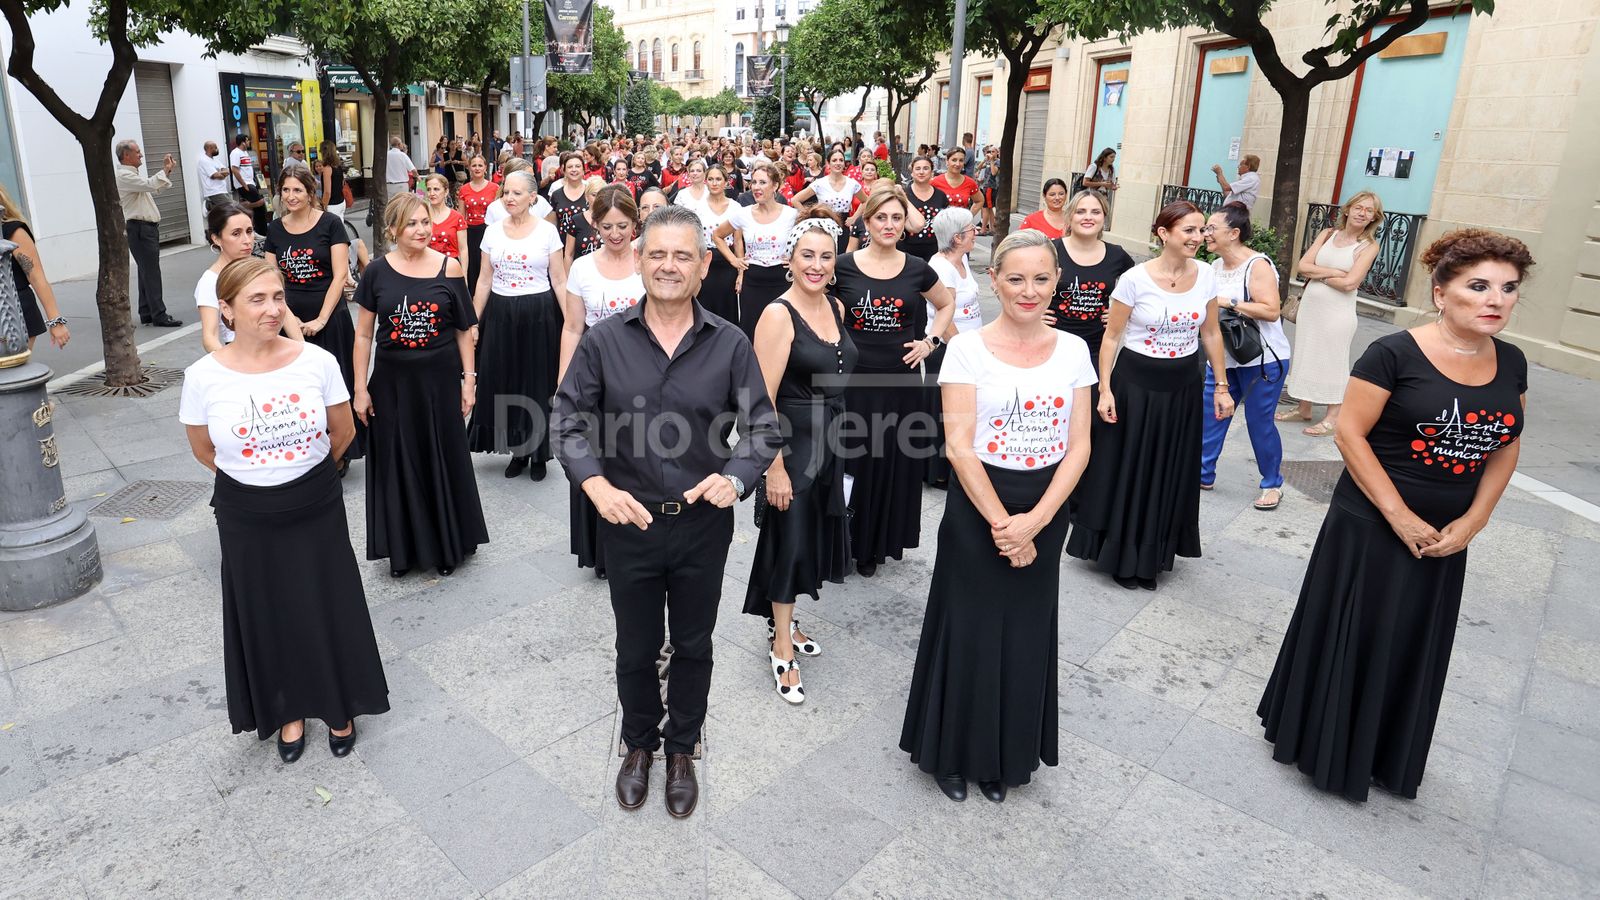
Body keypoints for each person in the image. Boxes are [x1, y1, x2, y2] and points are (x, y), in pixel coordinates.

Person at [1258, 229, 1532, 802]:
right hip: (1371, 524)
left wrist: (1476, 520)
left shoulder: (1512, 362)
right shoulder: (1393, 353)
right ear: (1440, 292)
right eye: (1479, 286)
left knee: (1411, 639)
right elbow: (1350, 434)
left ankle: (1385, 751)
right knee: (1359, 631)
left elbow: (1506, 445)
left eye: (1508, 289)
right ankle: (1324, 743)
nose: (1495, 300)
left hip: (1447, 534)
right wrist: (1399, 515)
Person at [551, 204, 782, 819]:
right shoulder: (605, 341)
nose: (669, 266)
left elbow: (763, 427)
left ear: (704, 265)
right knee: (635, 646)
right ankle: (638, 745)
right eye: (657, 254)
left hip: (702, 524)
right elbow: (566, 419)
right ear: (639, 261)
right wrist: (596, 486)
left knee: (694, 644)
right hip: (628, 521)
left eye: (683, 255)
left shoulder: (729, 343)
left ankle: (681, 749)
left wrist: (736, 477)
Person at [900, 229, 1096, 804]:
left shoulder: (1074, 351)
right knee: (970, 626)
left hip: (1046, 504)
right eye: (1016, 278)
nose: (1028, 290)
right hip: (977, 503)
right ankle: (951, 753)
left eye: (1040, 279)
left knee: (1027, 628)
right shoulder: (966, 349)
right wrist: (1004, 525)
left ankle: (1004, 756)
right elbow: (959, 447)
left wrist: (1035, 521)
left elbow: (1079, 446)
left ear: (1056, 282)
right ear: (995, 281)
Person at [179, 256, 388, 763]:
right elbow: (204, 450)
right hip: (245, 513)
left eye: (278, 297)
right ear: (226, 309)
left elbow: (342, 432)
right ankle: (286, 708)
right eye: (257, 299)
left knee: (326, 602)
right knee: (266, 609)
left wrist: (301, 477)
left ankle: (338, 705)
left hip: (314, 503)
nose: (273, 309)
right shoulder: (203, 376)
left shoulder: (316, 361)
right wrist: (258, 482)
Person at [1065, 200, 1234, 590]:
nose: (1198, 237)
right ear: (1163, 233)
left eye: (1201, 230)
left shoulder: (1207, 276)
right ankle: (1121, 555)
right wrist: (1105, 389)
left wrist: (1222, 387)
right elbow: (1112, 337)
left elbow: (1211, 333)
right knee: (1129, 468)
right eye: (1189, 230)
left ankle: (1154, 553)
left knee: (1168, 469)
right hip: (1135, 387)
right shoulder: (1134, 279)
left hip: (1183, 388)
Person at [744, 213, 858, 704]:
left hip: (830, 440)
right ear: (789, 260)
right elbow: (760, 399)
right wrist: (773, 468)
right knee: (788, 541)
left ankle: (783, 622)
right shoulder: (777, 315)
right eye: (807, 255)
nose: (817, 264)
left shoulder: (835, 305)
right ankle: (782, 647)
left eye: (825, 256)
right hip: (792, 448)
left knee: (808, 537)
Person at [351, 193, 488, 579]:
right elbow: (363, 335)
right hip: (392, 385)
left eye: (425, 222)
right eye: (411, 223)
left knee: (440, 457)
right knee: (399, 462)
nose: (421, 230)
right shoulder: (376, 271)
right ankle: (404, 548)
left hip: (439, 383)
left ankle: (447, 544)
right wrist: (360, 388)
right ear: (393, 229)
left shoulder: (450, 267)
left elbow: (463, 330)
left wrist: (469, 381)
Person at [835, 185, 954, 577]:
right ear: (867, 222)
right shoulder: (843, 266)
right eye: (881, 217)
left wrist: (930, 342)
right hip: (852, 382)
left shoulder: (917, 268)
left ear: (905, 224)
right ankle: (839, 540)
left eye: (896, 218)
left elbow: (946, 304)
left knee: (887, 462)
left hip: (899, 384)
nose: (888, 224)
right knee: (849, 460)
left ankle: (872, 545)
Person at [559, 187, 645, 580]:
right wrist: (564, 384)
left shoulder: (647, 260)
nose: (615, 234)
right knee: (597, 455)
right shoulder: (581, 268)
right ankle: (602, 548)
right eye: (607, 226)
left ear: (634, 224)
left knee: (637, 454)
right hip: (594, 373)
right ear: (594, 224)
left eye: (622, 226)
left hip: (641, 367)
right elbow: (572, 328)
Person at [467, 170, 568, 480]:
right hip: (500, 313)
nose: (509, 198)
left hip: (538, 313)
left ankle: (538, 453)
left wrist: (572, 323)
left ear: (532, 197)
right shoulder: (492, 232)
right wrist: (473, 321)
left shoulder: (547, 232)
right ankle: (517, 451)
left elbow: (559, 280)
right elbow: (484, 280)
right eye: (506, 192)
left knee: (536, 383)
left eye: (516, 193)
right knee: (505, 381)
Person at [262, 165, 360, 472]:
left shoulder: (330, 223)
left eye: (297, 190)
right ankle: (302, 449)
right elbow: (272, 278)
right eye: (286, 190)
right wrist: (289, 318)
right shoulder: (275, 229)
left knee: (334, 387)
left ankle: (339, 451)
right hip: (289, 319)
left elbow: (340, 274)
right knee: (298, 391)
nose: (291, 196)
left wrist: (320, 319)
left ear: (310, 192)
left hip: (330, 317)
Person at [1200, 203, 1292, 509]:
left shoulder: (1257, 265)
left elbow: (1271, 310)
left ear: (1234, 233)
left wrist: (1227, 301)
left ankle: (1272, 483)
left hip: (1263, 359)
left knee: (1258, 422)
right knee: (1212, 414)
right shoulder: (1214, 266)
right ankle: (1202, 473)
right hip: (1224, 358)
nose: (1206, 233)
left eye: (1212, 228)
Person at [1282, 191, 1383, 436]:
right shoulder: (1327, 234)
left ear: (1374, 218)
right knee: (1307, 354)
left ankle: (1333, 417)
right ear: (1347, 210)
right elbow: (1302, 266)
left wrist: (1320, 274)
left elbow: (1350, 283)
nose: (1362, 213)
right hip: (1311, 310)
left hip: (1337, 314)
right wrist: (1335, 272)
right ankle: (1303, 408)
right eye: (1358, 207)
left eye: (1369, 210)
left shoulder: (1368, 246)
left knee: (1333, 361)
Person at [924, 207, 985, 487]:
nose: (977, 231)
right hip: (949, 350)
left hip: (966, 347)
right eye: (972, 229)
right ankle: (938, 472)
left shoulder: (962, 259)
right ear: (957, 237)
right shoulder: (942, 268)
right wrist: (965, 350)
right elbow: (944, 316)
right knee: (945, 412)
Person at [197, 201, 304, 352]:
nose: (247, 240)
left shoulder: (260, 269)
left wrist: (304, 351)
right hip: (242, 353)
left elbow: (286, 313)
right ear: (216, 239)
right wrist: (231, 363)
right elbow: (210, 337)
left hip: (275, 347)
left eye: (249, 231)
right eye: (236, 234)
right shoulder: (210, 281)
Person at [1044, 190, 1135, 358]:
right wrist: (1032, 313)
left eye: (1095, 212)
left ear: (1104, 217)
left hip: (1095, 349)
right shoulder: (1050, 250)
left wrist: (1123, 312)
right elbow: (1019, 282)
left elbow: (1141, 286)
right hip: (1050, 344)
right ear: (1070, 216)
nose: (1088, 217)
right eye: (1080, 211)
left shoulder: (1116, 254)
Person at [714, 162, 797, 340]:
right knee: (751, 331)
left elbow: (807, 242)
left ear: (775, 185)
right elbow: (717, 236)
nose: (756, 187)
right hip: (752, 282)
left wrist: (795, 260)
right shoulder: (743, 214)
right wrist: (734, 260)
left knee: (782, 333)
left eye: (762, 182)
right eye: (754, 182)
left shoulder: (791, 215)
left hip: (782, 281)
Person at [114, 139, 182, 327]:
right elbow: (151, 184)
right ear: (126, 155)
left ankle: (146, 312)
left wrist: (166, 172)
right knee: (151, 272)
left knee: (146, 271)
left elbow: (154, 186)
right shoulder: (124, 176)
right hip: (140, 228)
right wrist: (165, 170)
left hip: (142, 228)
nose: (141, 155)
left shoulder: (131, 176)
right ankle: (159, 314)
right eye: (137, 152)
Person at [0, 182, 69, 351]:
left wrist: (56, 321)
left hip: (15, 315)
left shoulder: (11, 231)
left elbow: (36, 276)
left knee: (13, 367)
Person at [694, 165, 741, 324]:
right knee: (704, 309)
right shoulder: (697, 208)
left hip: (728, 263)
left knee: (727, 309)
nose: (714, 183)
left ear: (726, 182)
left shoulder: (735, 207)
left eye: (718, 179)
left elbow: (738, 241)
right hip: (705, 264)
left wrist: (740, 271)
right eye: (711, 179)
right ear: (706, 181)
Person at [459, 154, 499, 295]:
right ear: (469, 168)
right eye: (474, 165)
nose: (477, 168)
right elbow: (461, 216)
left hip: (488, 230)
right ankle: (472, 297)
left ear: (485, 168)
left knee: (487, 264)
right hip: (470, 232)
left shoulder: (495, 188)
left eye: (480, 165)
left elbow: (497, 213)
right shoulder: (464, 189)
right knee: (472, 265)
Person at [900, 156, 949, 261]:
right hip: (906, 250)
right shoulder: (903, 195)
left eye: (926, 168)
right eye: (917, 169)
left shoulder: (941, 196)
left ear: (932, 172)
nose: (921, 172)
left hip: (934, 251)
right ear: (912, 172)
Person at [789, 148, 860, 218]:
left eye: (841, 160)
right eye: (834, 160)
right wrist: (809, 217)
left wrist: (854, 218)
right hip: (824, 222)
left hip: (844, 223)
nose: (838, 163)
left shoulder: (852, 183)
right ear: (828, 163)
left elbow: (865, 201)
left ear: (844, 163)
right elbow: (795, 200)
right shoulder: (819, 183)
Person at [564, 177, 611, 267]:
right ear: (586, 197)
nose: (597, 199)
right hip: (581, 272)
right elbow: (568, 254)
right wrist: (567, 275)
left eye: (601, 195)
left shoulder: (613, 220)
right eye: (594, 195)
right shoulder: (576, 220)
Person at [423, 174, 468, 261]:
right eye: (429, 189)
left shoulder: (457, 217)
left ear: (446, 191)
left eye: (436, 189)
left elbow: (463, 250)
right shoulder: (421, 217)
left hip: (451, 265)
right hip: (427, 264)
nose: (432, 193)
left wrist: (463, 269)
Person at [548, 152, 590, 242]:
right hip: (561, 243)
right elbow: (551, 226)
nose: (574, 170)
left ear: (583, 170)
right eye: (570, 167)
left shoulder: (591, 193)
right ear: (564, 171)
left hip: (586, 244)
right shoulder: (556, 195)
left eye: (577, 166)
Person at [930, 147, 980, 214]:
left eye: (961, 160)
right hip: (940, 220)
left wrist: (969, 216)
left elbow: (979, 201)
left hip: (961, 221)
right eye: (954, 160)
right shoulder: (934, 182)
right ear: (947, 161)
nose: (957, 164)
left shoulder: (970, 183)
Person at [1082, 148, 1119, 224]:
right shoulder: (1094, 167)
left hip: (1103, 198)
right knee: (1090, 217)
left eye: (1114, 157)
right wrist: (1102, 183)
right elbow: (1085, 182)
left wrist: (1113, 187)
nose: (1113, 159)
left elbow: (1110, 185)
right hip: (1091, 196)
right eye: (1111, 157)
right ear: (1105, 157)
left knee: (1099, 218)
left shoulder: (1111, 170)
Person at [196, 141, 233, 212]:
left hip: (222, 189)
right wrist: (221, 174)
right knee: (230, 208)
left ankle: (212, 205)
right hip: (214, 191)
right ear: (209, 148)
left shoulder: (215, 160)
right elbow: (214, 175)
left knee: (228, 208)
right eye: (215, 148)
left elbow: (227, 171)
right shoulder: (204, 160)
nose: (217, 149)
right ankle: (209, 205)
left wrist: (220, 173)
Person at [974, 146, 1001, 235]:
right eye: (989, 151)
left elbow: (994, 172)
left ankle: (983, 229)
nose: (990, 153)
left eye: (993, 151)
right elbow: (978, 167)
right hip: (986, 186)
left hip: (991, 187)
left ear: (997, 153)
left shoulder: (997, 162)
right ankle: (992, 229)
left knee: (986, 208)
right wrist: (985, 160)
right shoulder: (988, 161)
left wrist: (992, 161)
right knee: (989, 209)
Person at [318, 141, 346, 220]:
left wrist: (323, 207)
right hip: (341, 201)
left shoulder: (327, 168)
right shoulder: (338, 165)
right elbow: (342, 183)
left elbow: (327, 192)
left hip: (332, 205)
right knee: (339, 225)